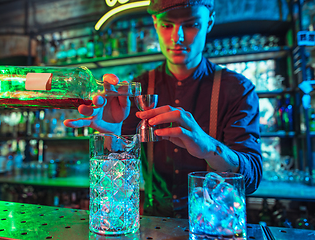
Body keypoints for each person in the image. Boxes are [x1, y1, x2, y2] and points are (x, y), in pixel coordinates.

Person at [64, 0, 262, 218]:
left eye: (191, 24)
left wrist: (210, 148)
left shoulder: (238, 89)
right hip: (153, 221)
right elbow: (119, 169)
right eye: (167, 25)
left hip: (213, 225)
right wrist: (111, 135)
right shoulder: (134, 90)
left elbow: (252, 176)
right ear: (155, 25)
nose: (176, 37)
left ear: (209, 23)